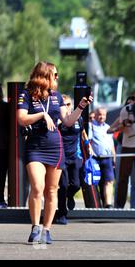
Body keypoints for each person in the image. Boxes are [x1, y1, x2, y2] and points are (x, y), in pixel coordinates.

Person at [17, 61, 92, 244]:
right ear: (45, 75)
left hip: (55, 147)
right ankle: (35, 226)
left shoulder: (56, 96)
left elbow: (67, 121)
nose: (57, 78)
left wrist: (80, 107)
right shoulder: (25, 95)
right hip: (35, 147)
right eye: (55, 74)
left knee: (52, 190)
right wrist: (43, 115)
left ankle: (47, 230)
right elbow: (21, 119)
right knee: (37, 187)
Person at [114, 86, 135, 209]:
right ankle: (119, 205)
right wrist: (124, 124)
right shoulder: (126, 109)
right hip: (127, 146)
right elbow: (120, 129)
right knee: (123, 177)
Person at [55, 94, 85, 225]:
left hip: (75, 156)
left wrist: (88, 145)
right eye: (63, 105)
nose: (66, 107)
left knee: (76, 184)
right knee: (62, 186)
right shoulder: (57, 119)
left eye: (68, 105)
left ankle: (70, 195)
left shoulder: (79, 119)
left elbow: (82, 133)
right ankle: (62, 214)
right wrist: (60, 122)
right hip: (61, 156)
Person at [89, 107, 116, 208]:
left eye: (103, 115)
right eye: (100, 114)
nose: (101, 117)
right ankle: (96, 204)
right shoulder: (91, 126)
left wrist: (114, 157)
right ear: (95, 115)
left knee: (108, 181)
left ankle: (108, 204)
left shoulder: (108, 127)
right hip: (95, 159)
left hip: (107, 158)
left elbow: (111, 144)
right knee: (95, 182)